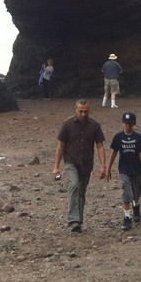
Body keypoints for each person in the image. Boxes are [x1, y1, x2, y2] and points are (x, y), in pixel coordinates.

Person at [53, 99, 107, 232]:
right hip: (71, 161)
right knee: (74, 185)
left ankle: (78, 221)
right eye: (81, 111)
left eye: (86, 111)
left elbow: (100, 146)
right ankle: (73, 219)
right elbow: (60, 146)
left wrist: (103, 166)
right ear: (76, 110)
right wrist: (56, 166)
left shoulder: (94, 125)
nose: (83, 114)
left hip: (87, 163)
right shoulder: (67, 125)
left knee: (82, 192)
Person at [106, 111, 141, 231]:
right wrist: (109, 168)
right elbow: (114, 153)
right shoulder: (118, 137)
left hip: (136, 169)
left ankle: (136, 206)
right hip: (124, 169)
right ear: (123, 123)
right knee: (126, 190)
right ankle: (127, 216)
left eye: (130, 124)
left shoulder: (138, 137)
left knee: (136, 192)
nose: (128, 126)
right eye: (126, 123)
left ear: (134, 124)